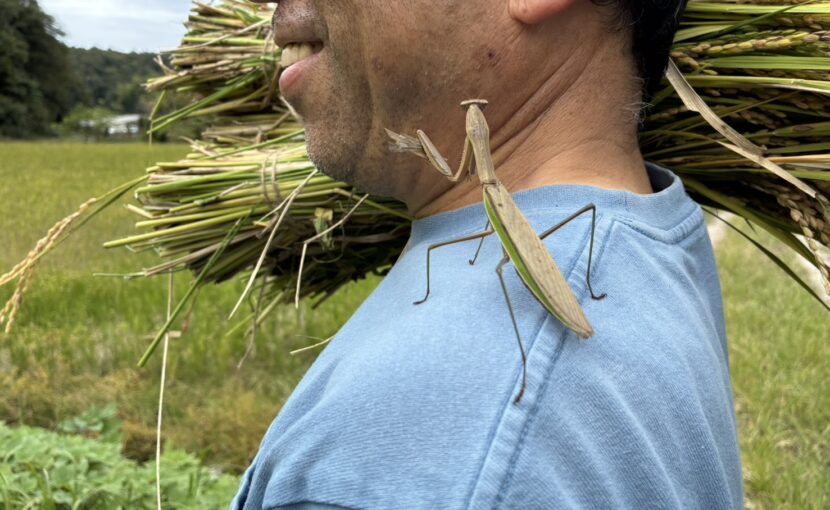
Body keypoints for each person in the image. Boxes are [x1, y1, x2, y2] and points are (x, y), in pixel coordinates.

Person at [234, 0, 744, 508]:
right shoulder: (649, 226)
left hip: (531, 308)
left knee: (505, 272)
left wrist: (523, 372)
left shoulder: (434, 466)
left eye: (472, 117)